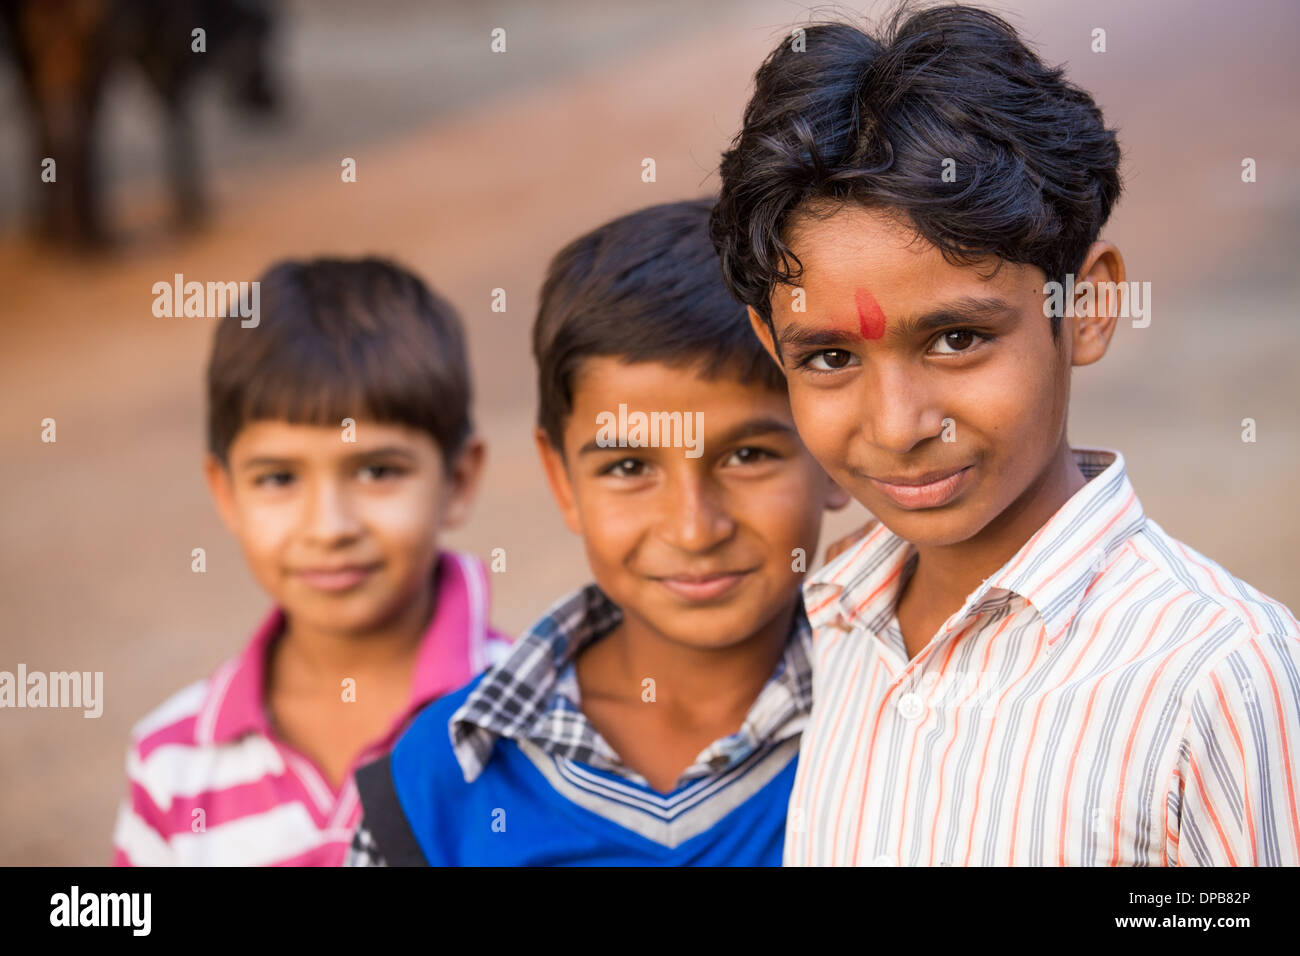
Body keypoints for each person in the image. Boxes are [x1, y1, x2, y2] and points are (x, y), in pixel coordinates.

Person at [709, 4, 1300, 865]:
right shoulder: (832, 620)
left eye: (957, 339)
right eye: (831, 357)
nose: (898, 425)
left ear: (1086, 307)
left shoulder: (1220, 674)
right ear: (774, 350)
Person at [347, 199, 850, 865]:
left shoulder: (911, 728)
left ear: (835, 449)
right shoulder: (445, 779)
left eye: (748, 456)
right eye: (630, 466)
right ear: (562, 480)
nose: (695, 528)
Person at [111, 257, 509, 865]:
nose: (329, 528)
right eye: (278, 478)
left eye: (378, 471)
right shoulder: (173, 762)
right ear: (225, 493)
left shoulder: (539, 716)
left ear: (458, 480)